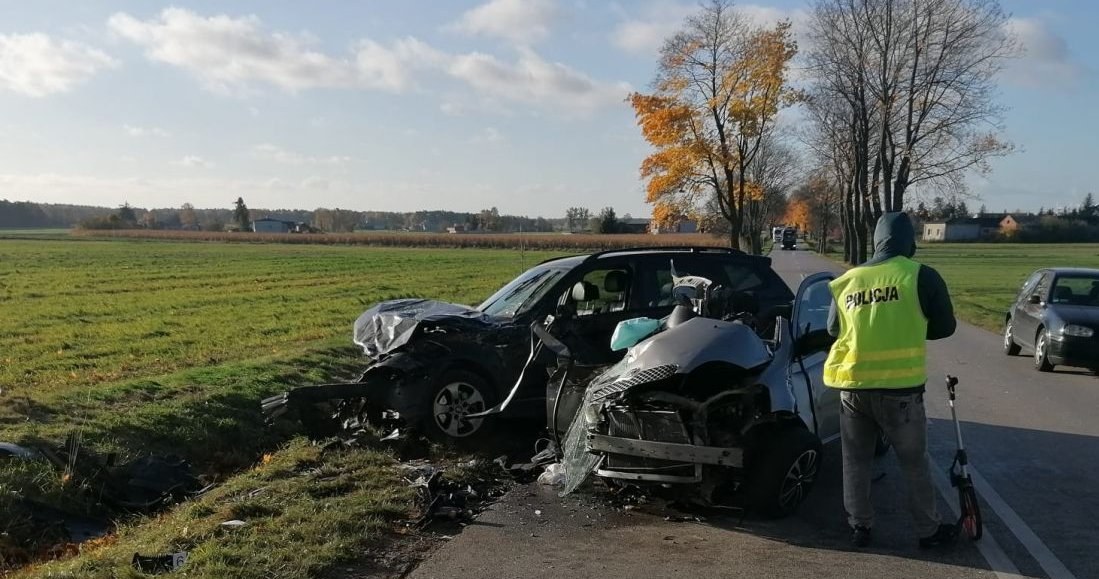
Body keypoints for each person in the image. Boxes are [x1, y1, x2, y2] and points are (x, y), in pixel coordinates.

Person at [823, 211, 958, 549]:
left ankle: (860, 527)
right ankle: (928, 531)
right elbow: (945, 327)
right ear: (908, 242)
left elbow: (832, 330)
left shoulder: (848, 280)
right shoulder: (920, 276)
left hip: (853, 389)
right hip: (901, 392)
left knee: (855, 461)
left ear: (876, 241)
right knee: (913, 463)